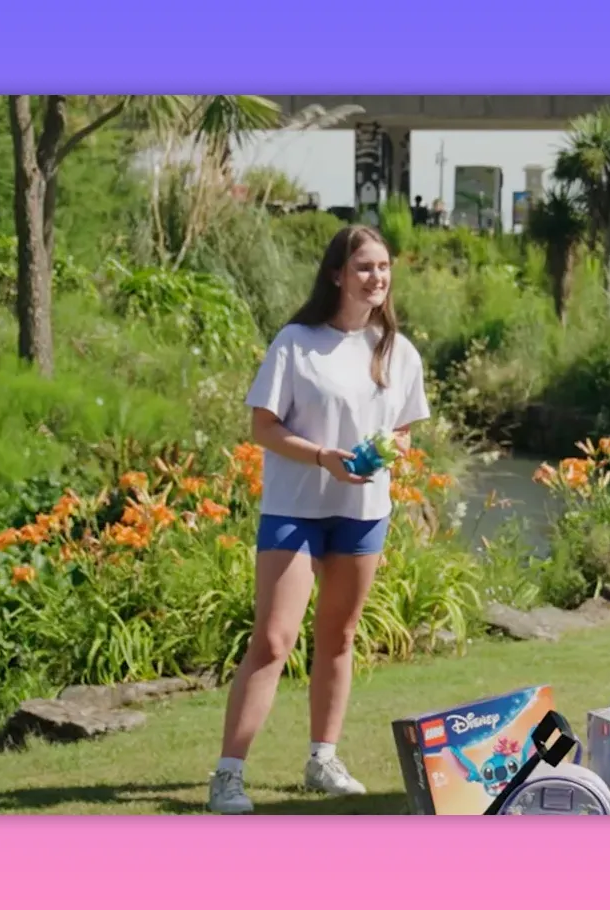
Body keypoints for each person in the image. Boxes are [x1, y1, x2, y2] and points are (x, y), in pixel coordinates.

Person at [207, 225, 431, 814]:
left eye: (383, 267)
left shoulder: (397, 350)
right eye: (364, 267)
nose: (376, 278)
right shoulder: (297, 341)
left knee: (339, 637)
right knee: (274, 639)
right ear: (336, 274)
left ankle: (322, 758)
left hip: (362, 512)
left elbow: (404, 428)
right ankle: (228, 774)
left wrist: (391, 449)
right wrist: (323, 458)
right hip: (295, 509)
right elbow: (263, 426)